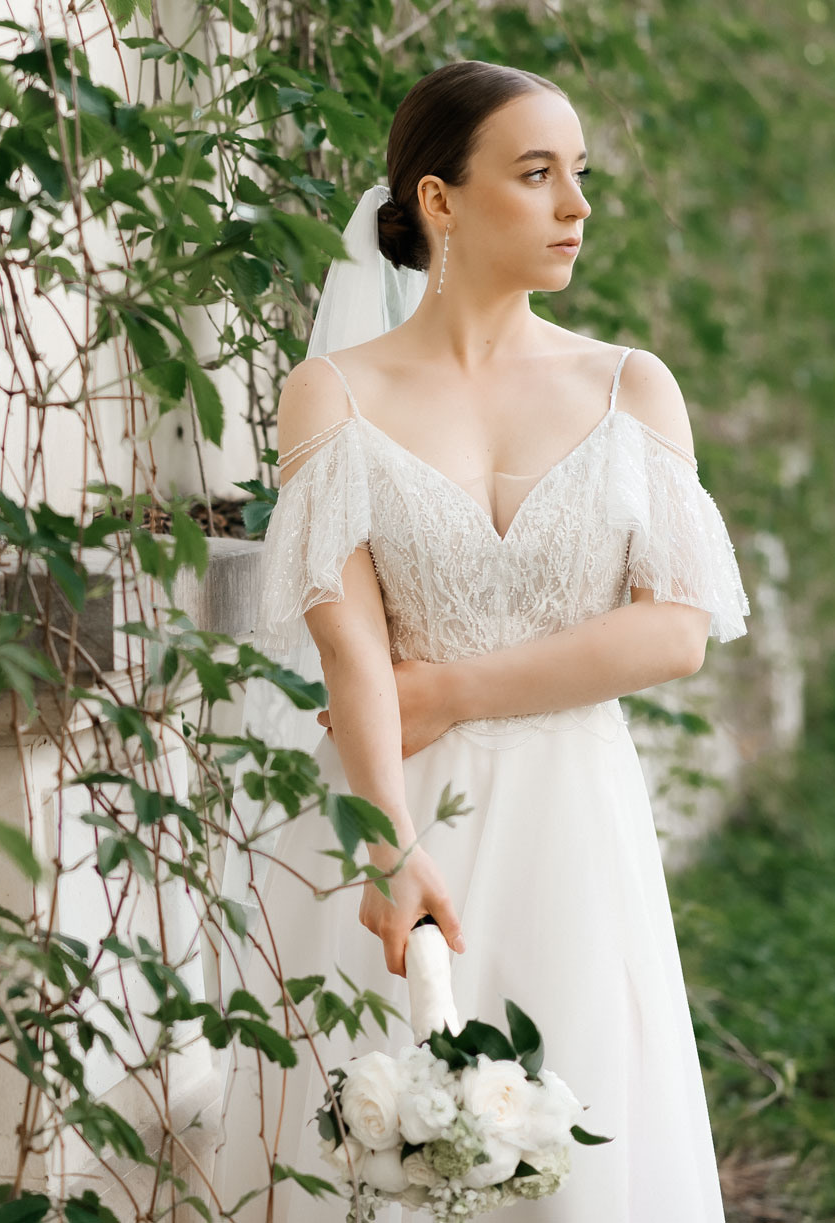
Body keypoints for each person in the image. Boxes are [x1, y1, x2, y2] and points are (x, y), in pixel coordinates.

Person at [210, 60, 749, 1222]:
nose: (575, 206)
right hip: (396, 801)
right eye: (535, 173)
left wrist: (453, 685)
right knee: (389, 1150)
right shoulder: (332, 396)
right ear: (439, 201)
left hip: (572, 815)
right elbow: (350, 653)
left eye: (580, 176)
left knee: (582, 1142)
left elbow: (675, 631)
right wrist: (390, 852)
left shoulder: (627, 388)